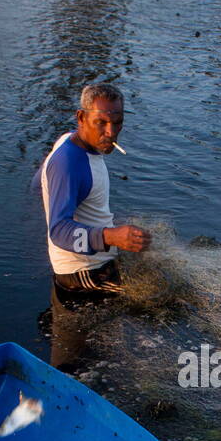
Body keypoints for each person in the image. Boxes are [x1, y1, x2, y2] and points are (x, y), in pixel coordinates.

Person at [36, 82, 152, 298]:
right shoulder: (68, 164)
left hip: (99, 257)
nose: (111, 132)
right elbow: (59, 231)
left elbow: (39, 181)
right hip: (83, 272)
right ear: (81, 118)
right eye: (101, 123)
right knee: (166, 293)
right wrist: (110, 236)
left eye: (117, 123)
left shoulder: (73, 141)